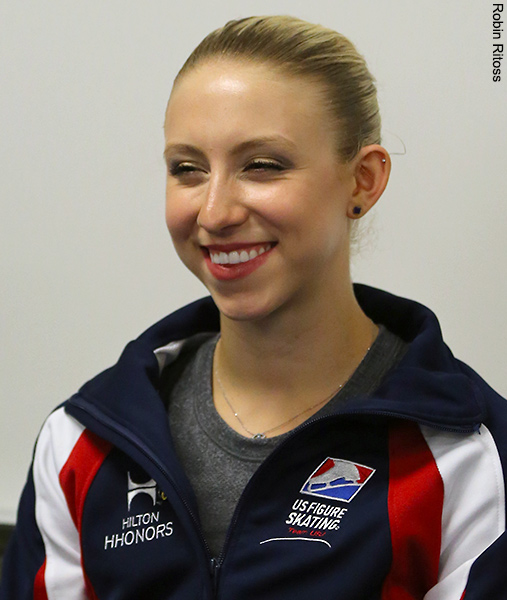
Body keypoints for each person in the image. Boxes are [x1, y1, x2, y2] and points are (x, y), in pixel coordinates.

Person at [1, 14, 507, 600]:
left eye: (262, 165)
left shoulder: (468, 457)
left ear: (362, 181)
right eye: (186, 169)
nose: (214, 213)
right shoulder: (82, 444)